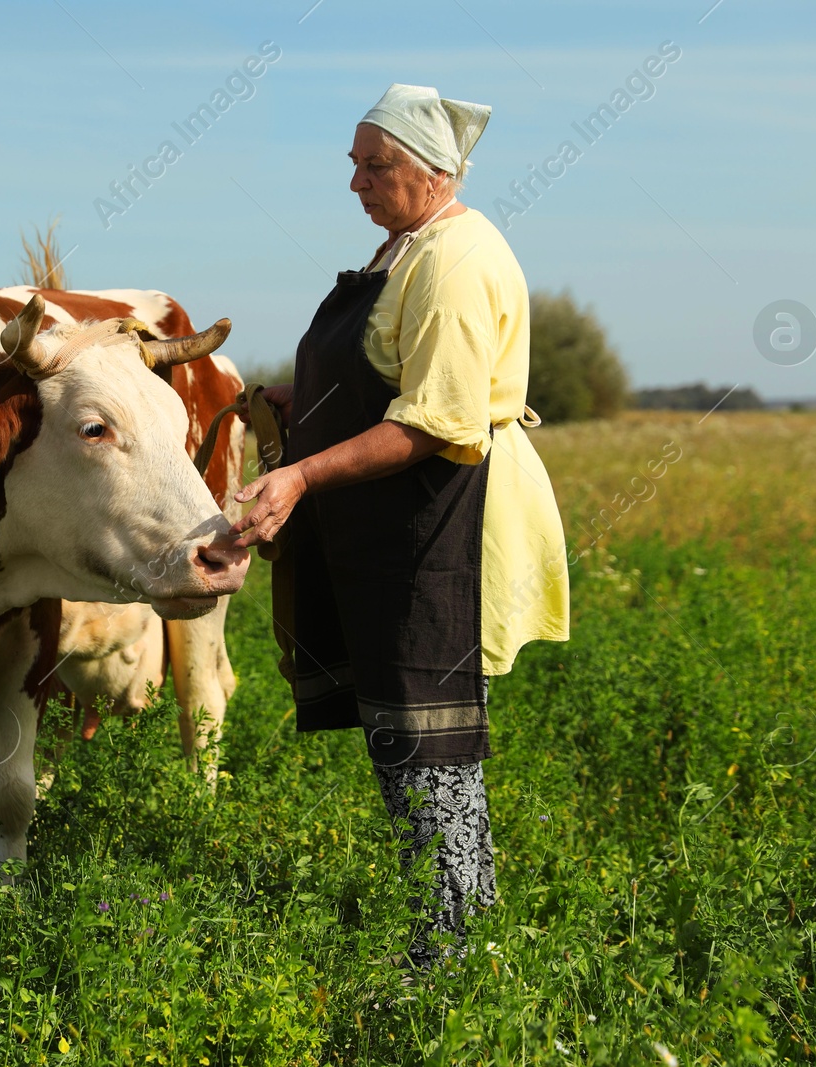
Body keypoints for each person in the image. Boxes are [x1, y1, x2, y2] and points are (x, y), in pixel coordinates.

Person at [230, 83, 569, 970]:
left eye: (376, 165)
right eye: (354, 163)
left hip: (443, 529)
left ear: (436, 172)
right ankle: (457, 945)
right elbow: (389, 377)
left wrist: (300, 471)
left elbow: (436, 423)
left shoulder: (456, 260)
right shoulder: (407, 247)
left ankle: (455, 965)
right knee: (407, 748)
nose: (357, 181)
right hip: (395, 533)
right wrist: (299, 403)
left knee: (434, 750)